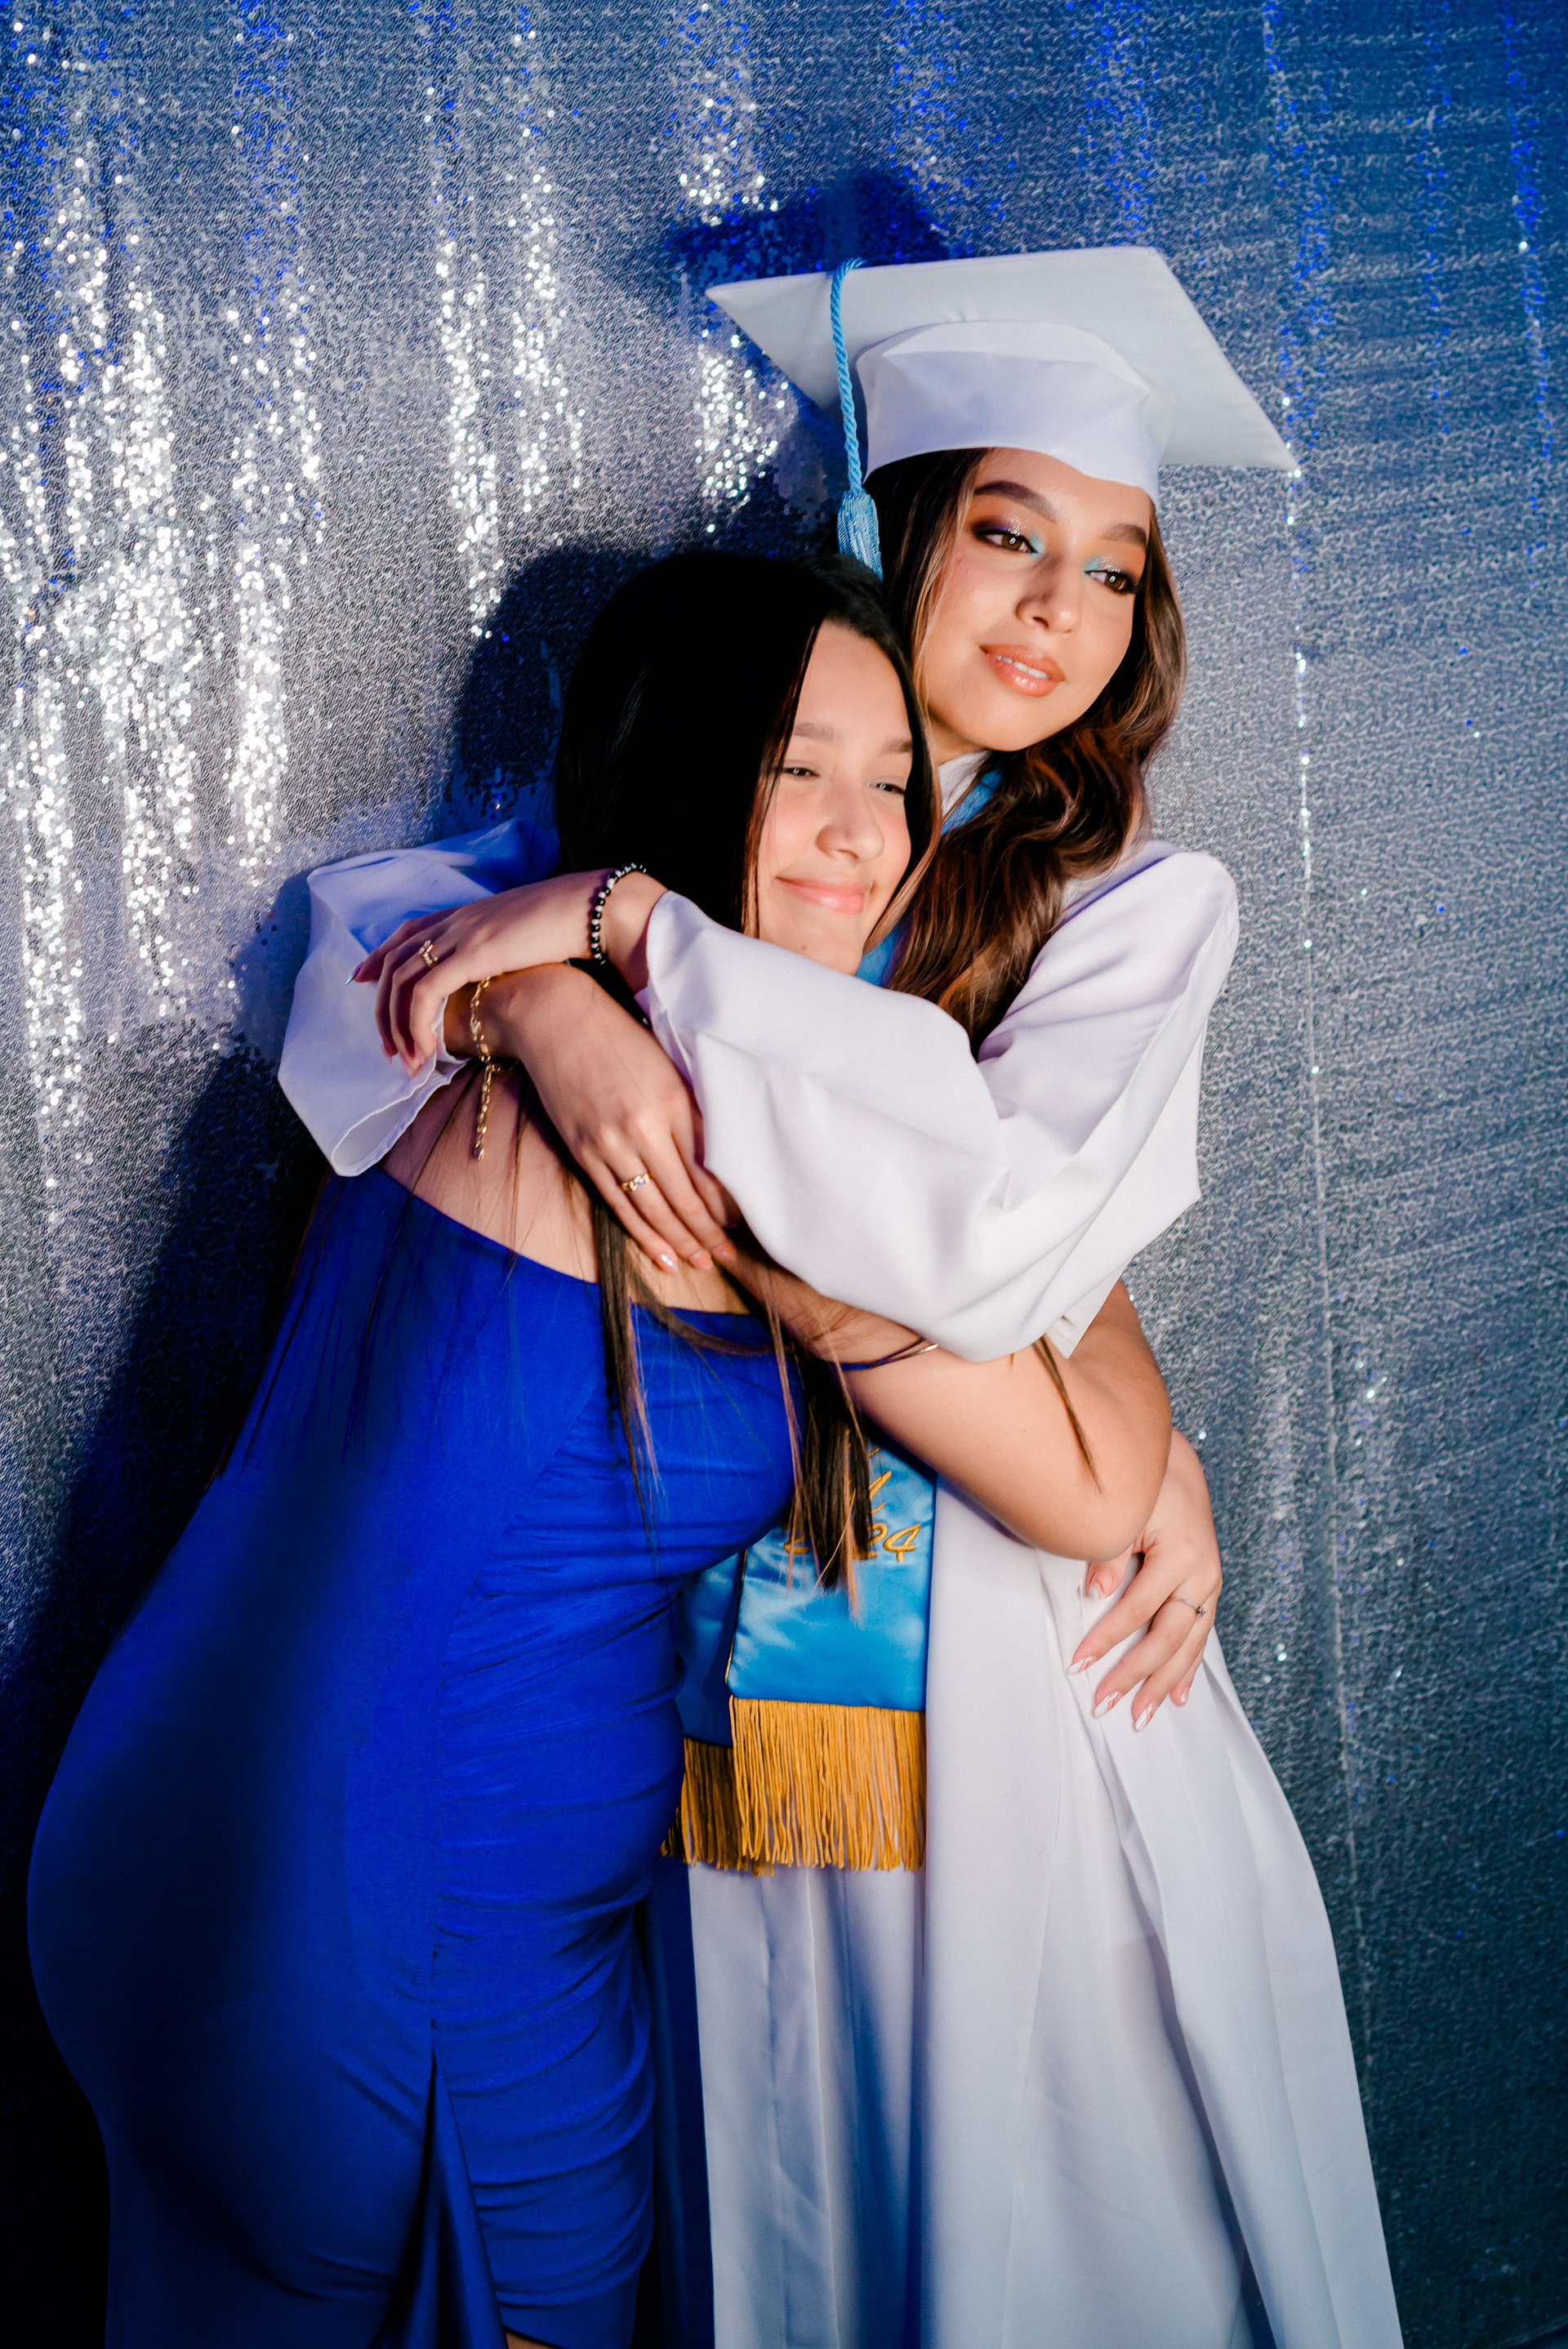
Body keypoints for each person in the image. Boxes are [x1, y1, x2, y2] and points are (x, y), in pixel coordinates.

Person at [282, 251, 1403, 2348]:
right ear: (893, 534)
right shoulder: (750, 797)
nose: (1058, 610)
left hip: (1005, 1656)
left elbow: (1001, 1235)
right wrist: (541, 1005)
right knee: (793, 2198)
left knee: (1058, 2208)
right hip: (714, 1658)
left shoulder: (1129, 902)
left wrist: (627, 940)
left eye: (1114, 571)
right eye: (1007, 536)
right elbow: (372, 961)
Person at [29, 549, 1174, 2349]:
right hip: (400, 1929)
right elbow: (1083, 1458)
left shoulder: (494, 1019)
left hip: (182, 1826)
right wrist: (1155, 1442)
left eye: (895, 782)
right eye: (796, 767)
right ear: (683, 771)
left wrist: (545, 977)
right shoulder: (708, 1128)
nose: (861, 833)